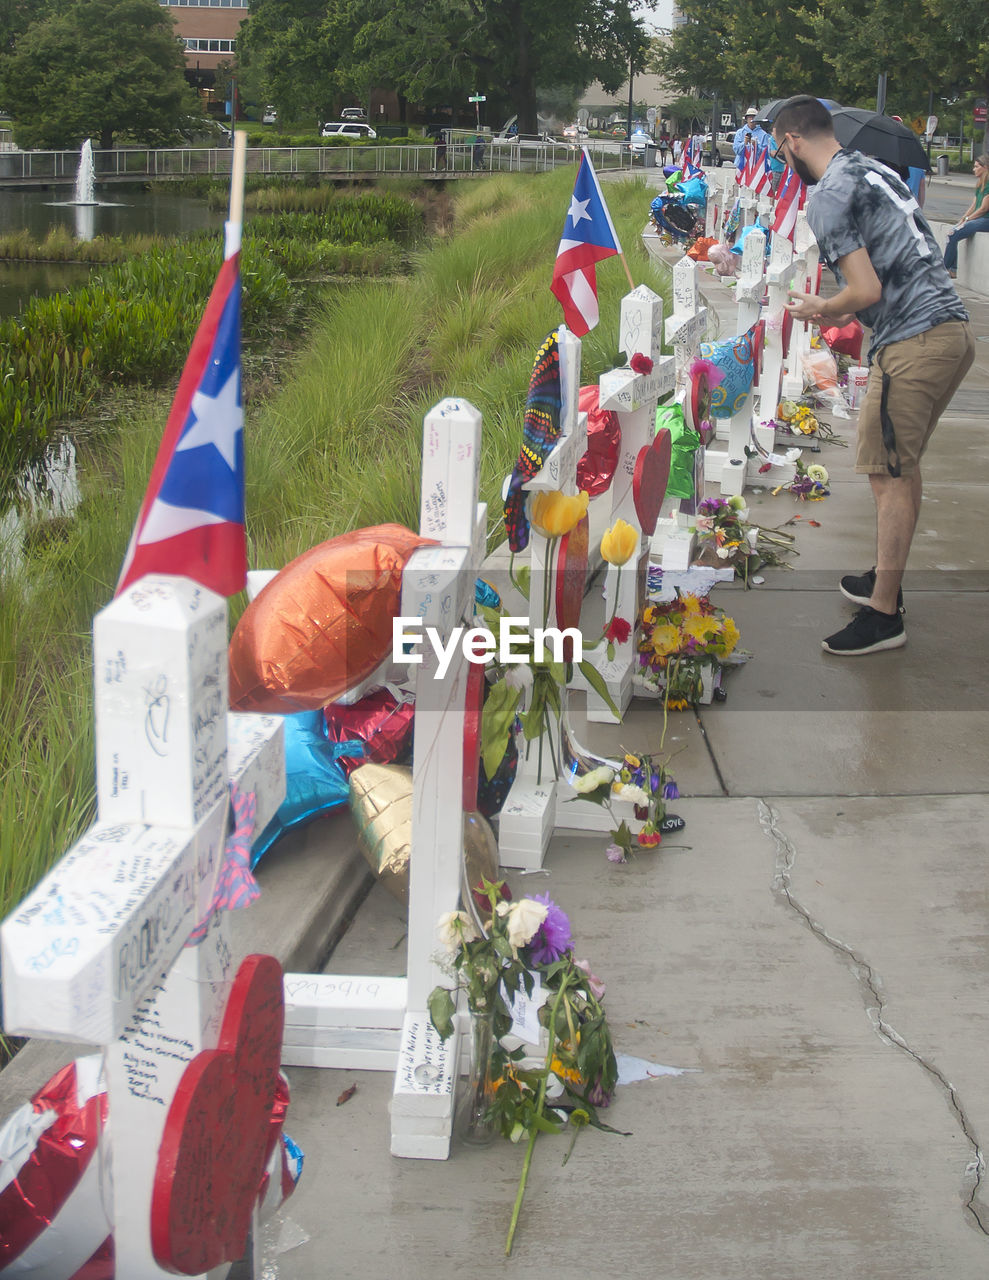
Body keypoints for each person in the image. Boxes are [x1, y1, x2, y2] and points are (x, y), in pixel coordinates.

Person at [772, 94, 974, 655]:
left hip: (913, 341)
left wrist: (820, 308)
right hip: (949, 332)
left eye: (778, 146)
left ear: (791, 141)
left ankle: (885, 614)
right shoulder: (871, 168)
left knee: (887, 477)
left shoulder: (828, 196)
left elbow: (866, 291)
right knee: (898, 469)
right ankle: (886, 579)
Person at [943, 153, 989, 276]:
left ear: (985, 167)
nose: (974, 169)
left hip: (986, 220)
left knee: (953, 234)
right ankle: (952, 269)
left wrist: (968, 219)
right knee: (951, 232)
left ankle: (945, 270)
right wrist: (963, 218)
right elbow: (974, 205)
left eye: (976, 166)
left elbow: (984, 208)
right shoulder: (980, 184)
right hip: (978, 218)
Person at [733, 107, 771, 173]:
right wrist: (744, 143)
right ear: (746, 119)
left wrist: (756, 146)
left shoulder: (763, 134)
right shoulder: (740, 132)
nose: (751, 119)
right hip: (741, 167)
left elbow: (766, 153)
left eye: (753, 117)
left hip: (756, 168)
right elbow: (736, 150)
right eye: (749, 117)